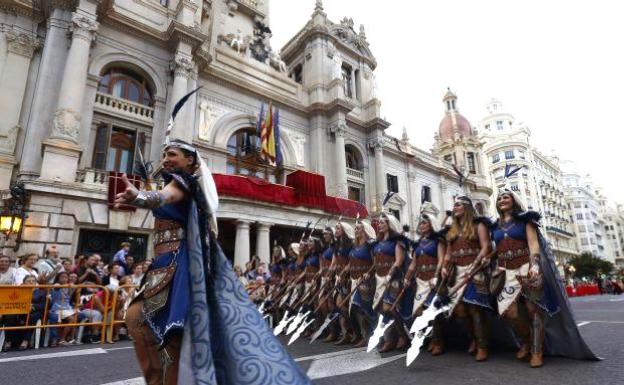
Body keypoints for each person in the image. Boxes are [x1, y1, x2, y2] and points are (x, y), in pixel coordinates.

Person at [115, 137, 310, 385]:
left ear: (190, 160)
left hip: (180, 267)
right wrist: (141, 196)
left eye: (172, 154)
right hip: (161, 267)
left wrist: (141, 198)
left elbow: (166, 196)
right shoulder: (171, 183)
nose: (166, 159)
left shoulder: (184, 183)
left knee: (170, 337)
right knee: (137, 320)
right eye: (164, 155)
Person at [492, 188, 598, 367]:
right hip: (507, 272)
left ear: (514, 200)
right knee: (509, 312)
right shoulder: (495, 226)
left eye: (506, 197)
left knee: (534, 310)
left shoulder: (526, 220)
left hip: (527, 268)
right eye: (500, 197)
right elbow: (496, 248)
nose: (502, 199)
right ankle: (526, 340)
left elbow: (533, 244)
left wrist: (534, 265)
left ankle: (536, 351)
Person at [441, 196, 492, 362]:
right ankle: (474, 338)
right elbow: (448, 252)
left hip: (475, 270)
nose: (454, 207)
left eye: (458, 205)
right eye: (454, 204)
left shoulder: (479, 225)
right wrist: (444, 266)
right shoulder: (452, 230)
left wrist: (476, 262)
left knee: (474, 309)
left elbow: (486, 246)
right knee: (459, 310)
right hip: (457, 272)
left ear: (466, 207)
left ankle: (483, 346)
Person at [404, 203, 447, 356]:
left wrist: (436, 276)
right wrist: (407, 278)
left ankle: (438, 342)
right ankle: (428, 340)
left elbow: (441, 260)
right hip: (420, 281)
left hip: (432, 280)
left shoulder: (438, 241)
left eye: (424, 222)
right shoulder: (417, 244)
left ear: (431, 224)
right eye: (420, 223)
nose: (421, 225)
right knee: (418, 312)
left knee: (433, 314)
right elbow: (413, 264)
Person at [372, 212, 411, 353]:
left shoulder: (397, 241)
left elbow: (399, 261)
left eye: (383, 222)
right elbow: (376, 262)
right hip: (379, 278)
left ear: (390, 224)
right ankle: (393, 338)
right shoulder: (377, 243)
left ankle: (402, 336)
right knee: (382, 309)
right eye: (379, 222)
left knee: (391, 308)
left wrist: (389, 276)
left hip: (394, 278)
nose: (380, 224)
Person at [348, 219, 377, 347]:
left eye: (358, 228)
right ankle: (366, 335)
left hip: (366, 281)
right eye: (355, 228)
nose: (356, 230)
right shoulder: (354, 246)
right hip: (354, 280)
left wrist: (368, 273)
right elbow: (351, 262)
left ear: (365, 230)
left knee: (366, 309)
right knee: (357, 308)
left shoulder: (370, 245)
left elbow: (376, 262)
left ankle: (375, 335)